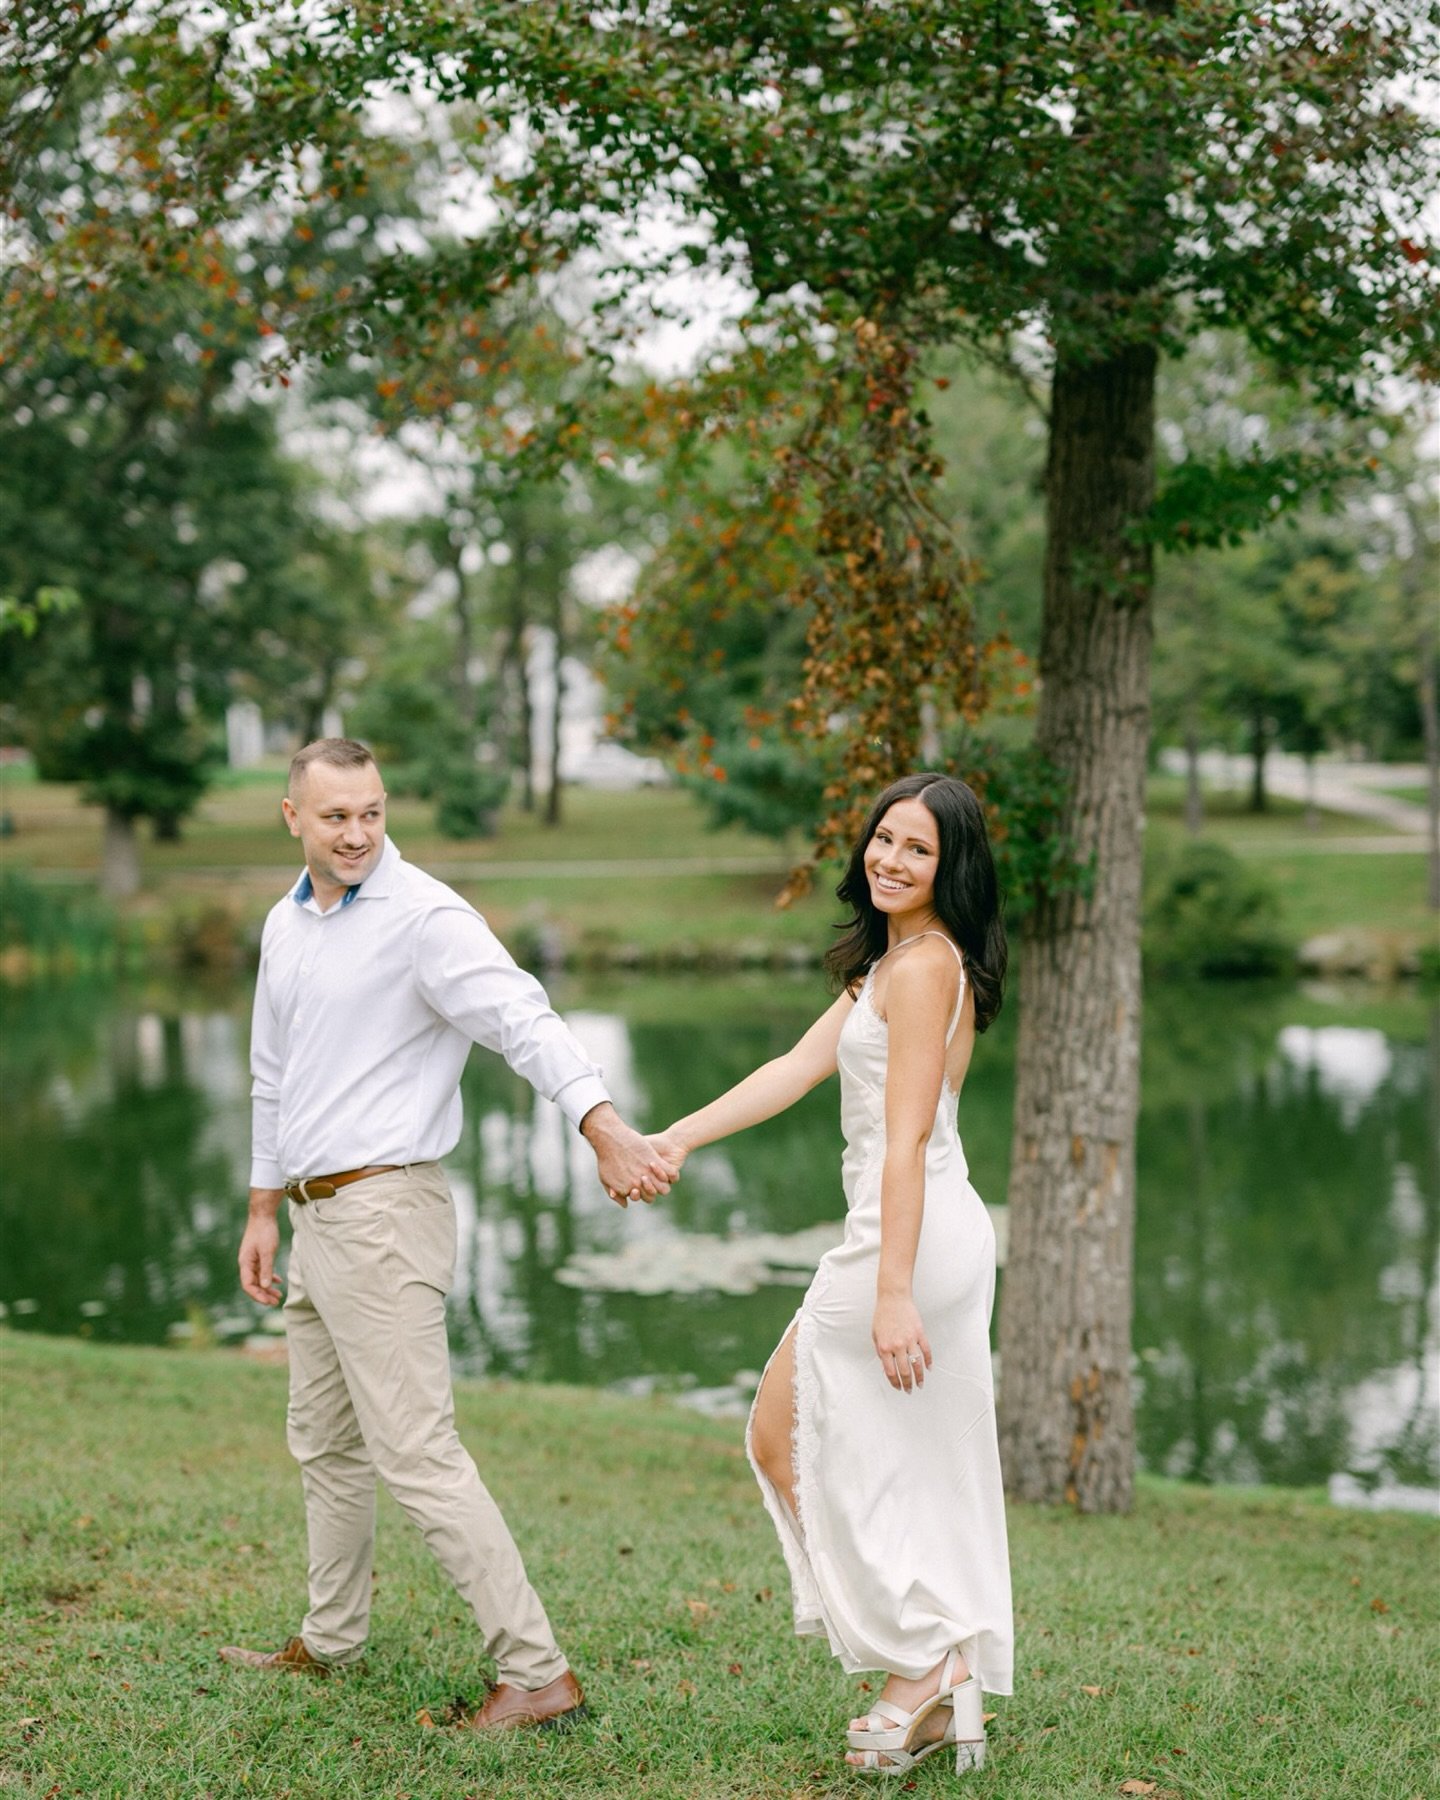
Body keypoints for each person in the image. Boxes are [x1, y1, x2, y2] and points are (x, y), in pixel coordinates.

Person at [220, 737, 677, 1734]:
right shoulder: (285, 925)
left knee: (417, 1453)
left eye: (372, 812)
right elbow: (271, 1075)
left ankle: (537, 1673)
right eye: (336, 816)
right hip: (311, 1218)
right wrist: (262, 1208)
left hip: (386, 1215)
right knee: (324, 1443)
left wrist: (601, 1125)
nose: (357, 834)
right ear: (292, 817)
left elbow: (523, 1020)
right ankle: (330, 1640)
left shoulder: (424, 917)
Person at [650, 772, 1013, 1774]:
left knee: (782, 1432)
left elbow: (905, 1142)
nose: (891, 859)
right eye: (884, 839)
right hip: (912, 1229)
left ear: (951, 868)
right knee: (873, 1454)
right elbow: (794, 1070)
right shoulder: (894, 964)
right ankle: (933, 1665)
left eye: (919, 848)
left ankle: (924, 1661)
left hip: (909, 1238)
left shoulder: (926, 968)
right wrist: (676, 1138)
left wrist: (892, 1292)